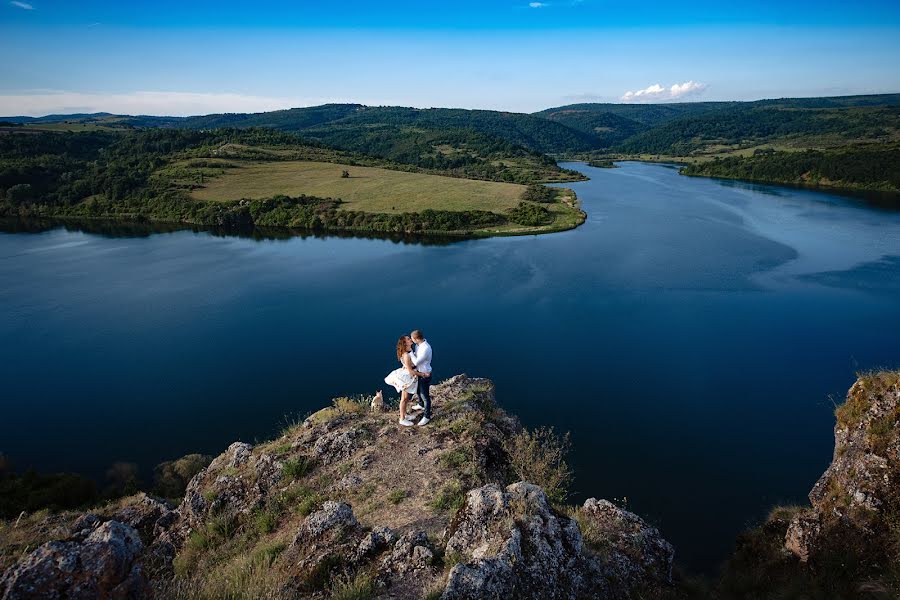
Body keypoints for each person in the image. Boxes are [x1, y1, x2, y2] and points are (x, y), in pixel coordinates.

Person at [384, 335, 428, 427]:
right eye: (408, 339)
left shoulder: (408, 352)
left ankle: (405, 415)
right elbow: (411, 371)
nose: (410, 339)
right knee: (404, 399)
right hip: (406, 378)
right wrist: (423, 374)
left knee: (406, 398)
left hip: (406, 376)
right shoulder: (406, 355)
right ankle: (402, 419)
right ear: (405, 343)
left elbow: (407, 366)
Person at [408, 330, 433, 426]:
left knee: (425, 396)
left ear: (416, 339)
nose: (411, 340)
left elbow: (416, 362)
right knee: (418, 391)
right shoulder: (418, 346)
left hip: (425, 374)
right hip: (419, 373)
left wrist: (409, 352)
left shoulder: (425, 348)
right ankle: (421, 405)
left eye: (412, 338)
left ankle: (427, 416)